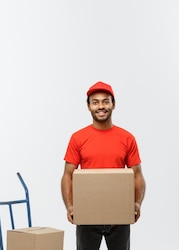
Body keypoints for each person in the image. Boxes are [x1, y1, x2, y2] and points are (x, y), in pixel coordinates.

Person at [61, 81, 146, 250]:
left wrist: (137, 203)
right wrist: (70, 206)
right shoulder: (78, 138)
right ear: (88, 106)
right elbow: (67, 175)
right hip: (87, 213)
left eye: (106, 101)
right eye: (95, 102)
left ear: (113, 104)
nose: (101, 106)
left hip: (119, 213)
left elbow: (137, 174)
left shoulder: (127, 138)